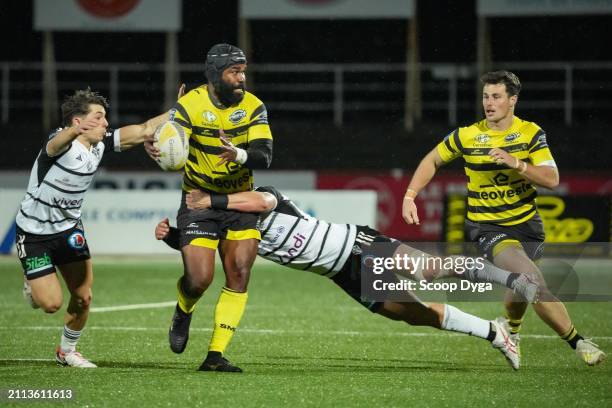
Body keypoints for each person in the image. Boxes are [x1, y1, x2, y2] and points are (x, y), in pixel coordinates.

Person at [155, 186, 524, 370]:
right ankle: (495, 333)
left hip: (356, 243)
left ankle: (508, 278)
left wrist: (211, 200)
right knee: (416, 313)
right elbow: (200, 248)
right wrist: (173, 236)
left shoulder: (254, 195)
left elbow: (265, 203)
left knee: (428, 268)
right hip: (340, 272)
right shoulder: (226, 228)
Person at [402, 70, 605, 366]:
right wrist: (410, 195)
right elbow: (433, 159)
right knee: (531, 281)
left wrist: (517, 163)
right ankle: (579, 342)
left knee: (519, 290)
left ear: (512, 100)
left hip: (528, 227)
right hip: (488, 228)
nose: (489, 102)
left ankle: (510, 330)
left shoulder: (531, 134)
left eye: (496, 96)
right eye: (486, 96)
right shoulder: (468, 135)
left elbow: (551, 178)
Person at [16, 87, 177, 368]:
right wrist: (73, 131)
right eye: (99, 118)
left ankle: (67, 351)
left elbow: (143, 130)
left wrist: (181, 108)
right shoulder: (60, 142)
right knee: (51, 304)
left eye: (105, 119)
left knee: (84, 296)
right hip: (34, 235)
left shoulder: (98, 145)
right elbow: (58, 142)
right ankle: (33, 279)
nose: (105, 123)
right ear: (77, 122)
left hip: (68, 230)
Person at [146, 43, 273, 372]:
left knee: (240, 272)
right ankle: (184, 308)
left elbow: (264, 154)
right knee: (199, 279)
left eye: (243, 71)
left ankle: (215, 355)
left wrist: (239, 155)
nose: (241, 78)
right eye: (234, 72)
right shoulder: (190, 105)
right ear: (216, 75)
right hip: (199, 200)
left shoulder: (254, 106)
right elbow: (175, 150)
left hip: (239, 200)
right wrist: (162, 150)